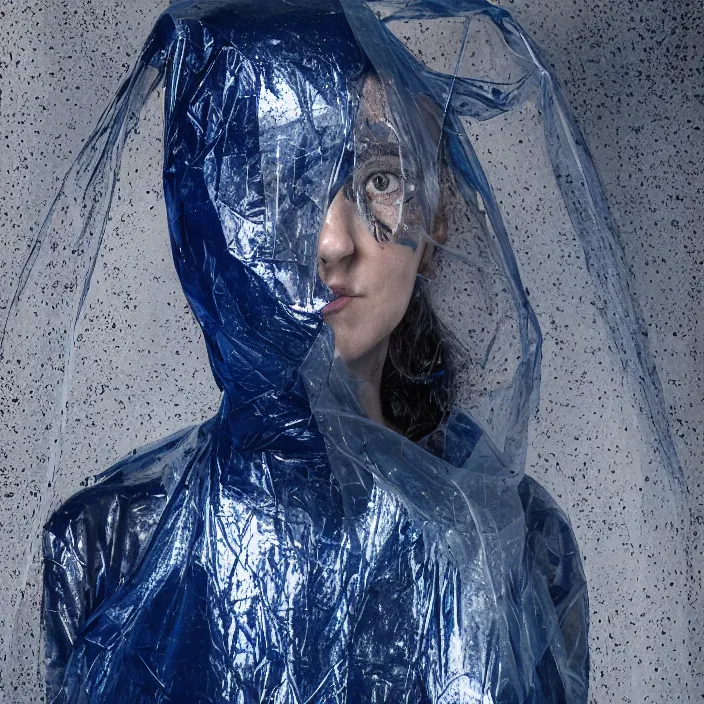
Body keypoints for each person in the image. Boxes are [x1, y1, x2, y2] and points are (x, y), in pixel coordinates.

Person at [27, 0, 595, 701]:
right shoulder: (108, 545)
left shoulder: (523, 543)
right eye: (281, 182)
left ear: (437, 214)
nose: (334, 242)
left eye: (379, 180)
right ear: (210, 219)